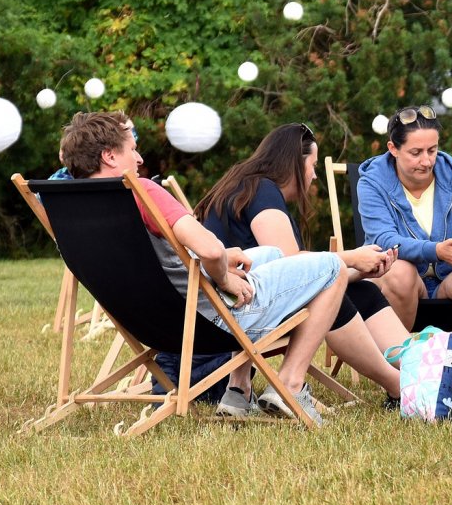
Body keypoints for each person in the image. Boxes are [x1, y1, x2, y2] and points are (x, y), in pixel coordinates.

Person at [60, 112, 348, 424]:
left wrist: (222, 259)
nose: (140, 159)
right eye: (133, 149)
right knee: (332, 267)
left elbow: (173, 262)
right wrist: (224, 277)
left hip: (149, 322)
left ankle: (239, 390)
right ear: (110, 155)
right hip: (208, 321)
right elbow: (208, 248)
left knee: (269, 254)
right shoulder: (140, 191)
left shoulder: (69, 206)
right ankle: (290, 384)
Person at [197, 123, 406, 412]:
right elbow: (290, 262)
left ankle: (240, 388)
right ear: (295, 162)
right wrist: (351, 258)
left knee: (358, 286)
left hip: (217, 310)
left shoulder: (242, 185)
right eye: (313, 164)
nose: (314, 174)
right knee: (342, 289)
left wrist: (360, 268)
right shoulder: (262, 190)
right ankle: (399, 383)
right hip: (239, 312)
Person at [357, 105, 452, 329]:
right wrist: (435, 250)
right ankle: (400, 362)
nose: (426, 161)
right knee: (400, 272)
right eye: (416, 153)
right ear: (393, 149)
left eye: (432, 150)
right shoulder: (372, 182)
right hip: (402, 280)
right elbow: (384, 240)